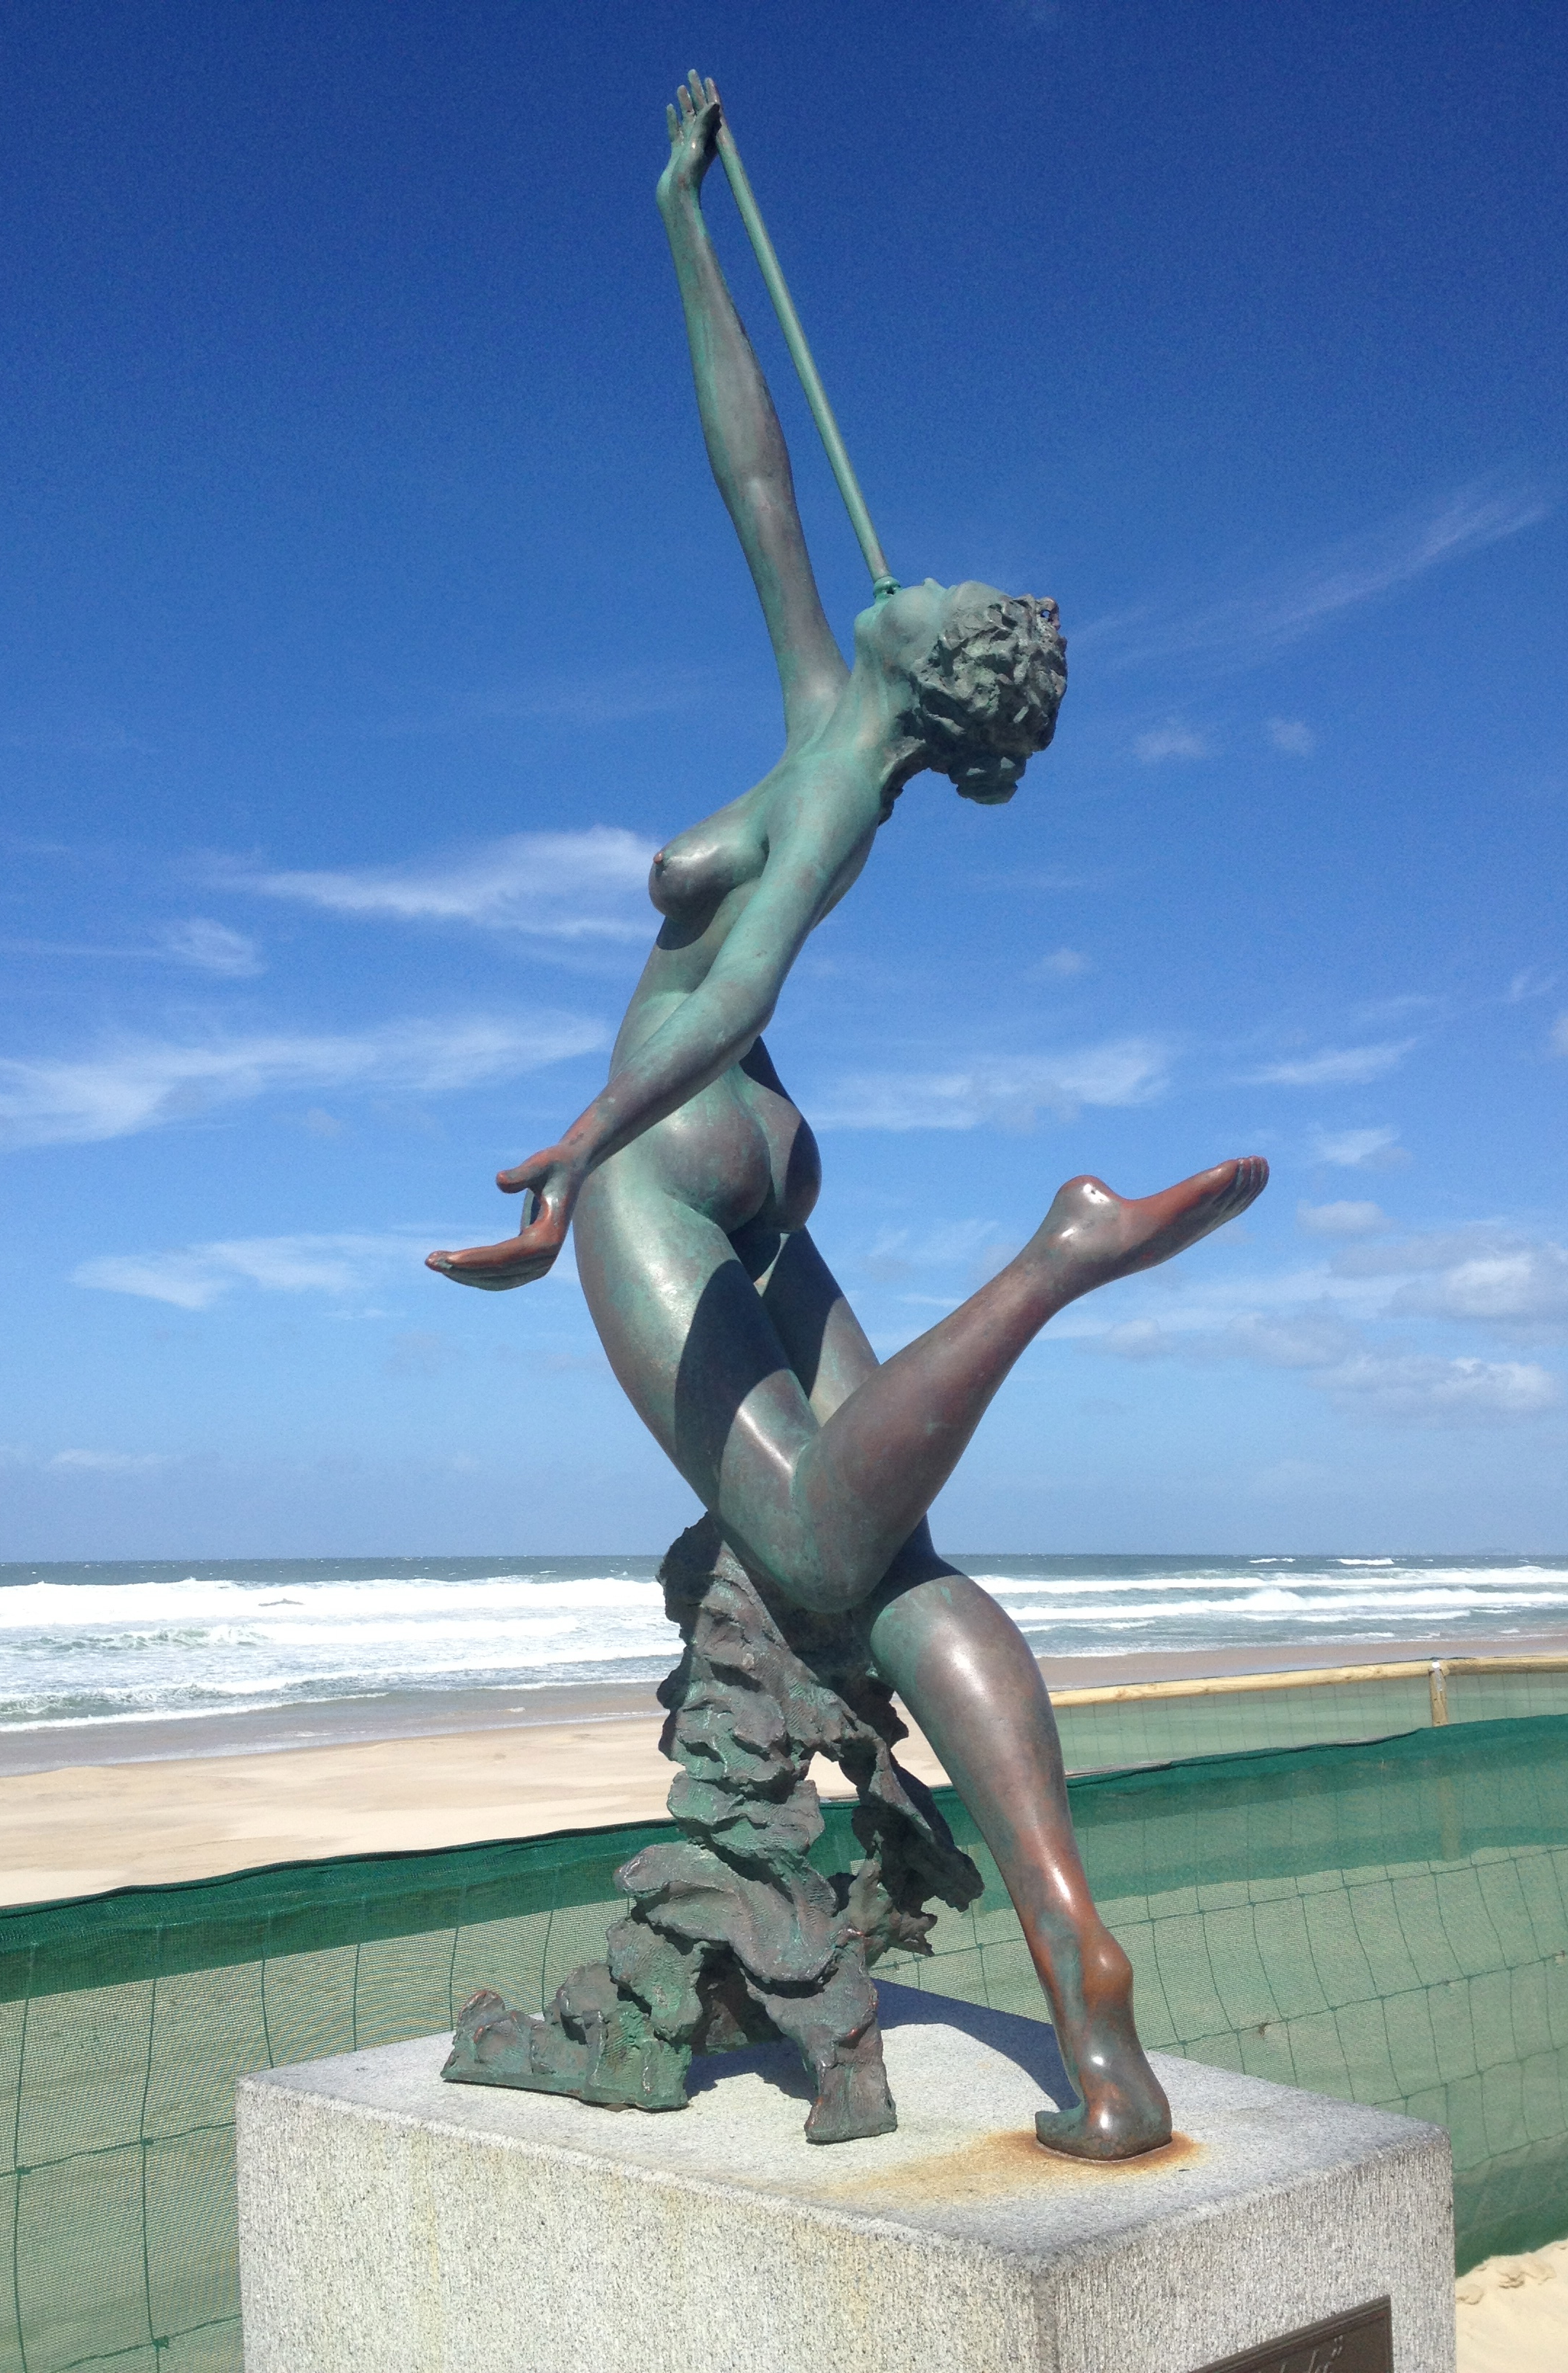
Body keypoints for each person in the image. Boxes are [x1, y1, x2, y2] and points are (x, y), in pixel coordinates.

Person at [430, 73, 1266, 2158]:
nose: (923, 584)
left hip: (676, 1149)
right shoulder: (831, 701)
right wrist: (684, 215)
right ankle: (1077, 1965)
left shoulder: (835, 793)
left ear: (934, 676)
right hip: (768, 1169)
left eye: (945, 606)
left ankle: (1050, 1262)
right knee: (893, 1567)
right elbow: (757, 469)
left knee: (806, 1538)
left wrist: (580, 1150)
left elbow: (734, 990)